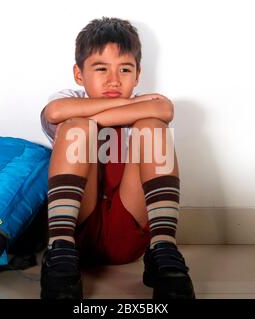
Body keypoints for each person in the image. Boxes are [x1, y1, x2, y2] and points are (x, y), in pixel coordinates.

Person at [39, 17, 195, 299]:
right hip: (78, 230)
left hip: (129, 230)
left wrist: (98, 115)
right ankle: (59, 249)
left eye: (125, 69)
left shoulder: (145, 107)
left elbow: (166, 110)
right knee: (77, 127)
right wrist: (131, 105)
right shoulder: (68, 97)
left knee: (153, 126)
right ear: (78, 74)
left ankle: (163, 248)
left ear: (137, 75)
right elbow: (53, 112)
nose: (113, 80)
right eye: (101, 69)